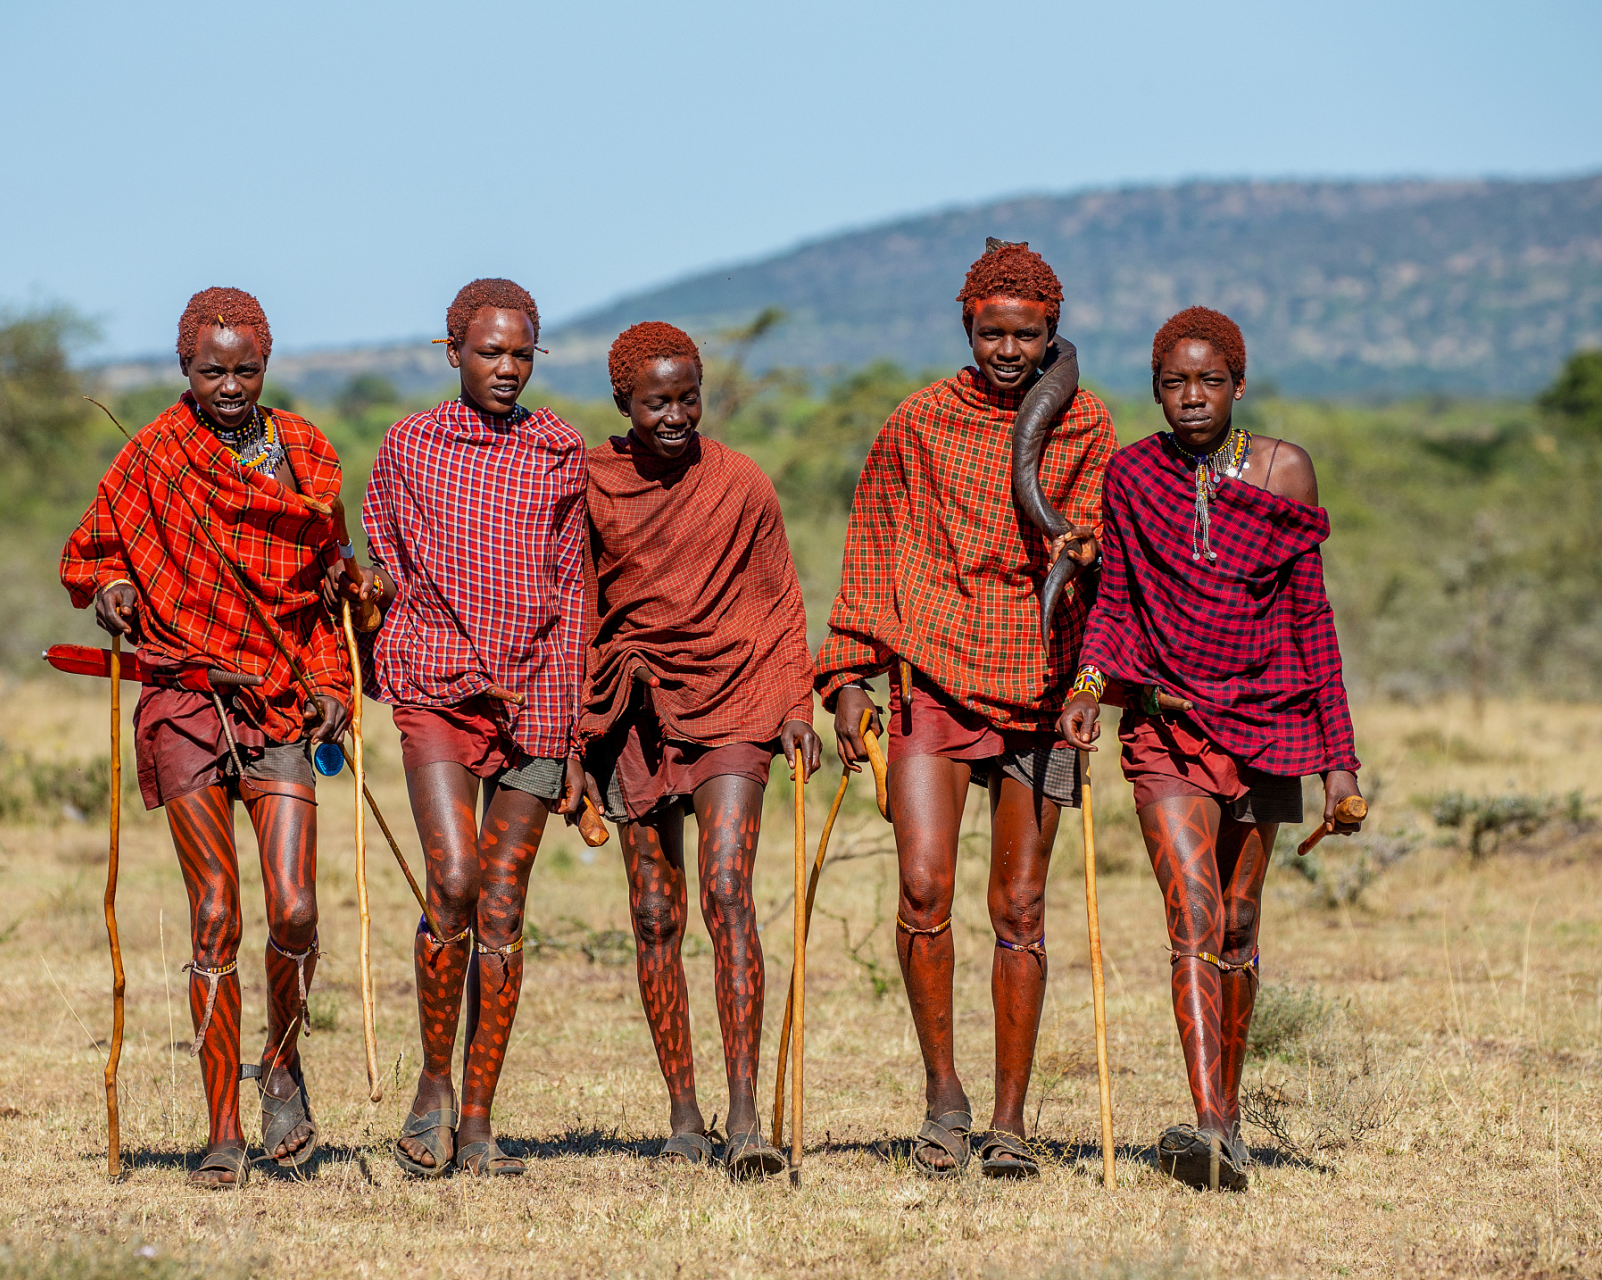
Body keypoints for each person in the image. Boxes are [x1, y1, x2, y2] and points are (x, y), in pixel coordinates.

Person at [62, 286, 376, 1188]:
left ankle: (281, 1062)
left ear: (266, 367)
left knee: (296, 909)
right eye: (212, 371)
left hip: (281, 702)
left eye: (245, 370)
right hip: (186, 699)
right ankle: (223, 1131)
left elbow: (328, 585)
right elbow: (92, 551)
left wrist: (328, 684)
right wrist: (116, 587)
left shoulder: (307, 451)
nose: (230, 386)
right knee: (214, 915)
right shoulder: (151, 457)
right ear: (184, 371)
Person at [817, 242, 1116, 1177]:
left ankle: (1011, 1121)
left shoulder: (1087, 425)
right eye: (992, 332)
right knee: (923, 889)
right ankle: (944, 1100)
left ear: (1051, 334)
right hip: (932, 671)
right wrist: (848, 676)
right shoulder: (919, 423)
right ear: (966, 329)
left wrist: (1088, 683)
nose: (1008, 351)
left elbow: (1107, 553)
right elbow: (872, 541)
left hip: (1044, 673)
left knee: (1020, 903)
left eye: (1027, 335)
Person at [1058, 306, 1362, 1192]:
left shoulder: (1282, 469)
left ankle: (1224, 1111)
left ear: (1238, 383)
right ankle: (1208, 1126)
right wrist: (1087, 689)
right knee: (1189, 912)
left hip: (1271, 723)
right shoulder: (1132, 474)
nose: (1191, 398)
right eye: (1173, 383)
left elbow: (1311, 616)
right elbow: (1116, 602)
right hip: (1166, 725)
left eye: (1208, 381)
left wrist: (1339, 759)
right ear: (1155, 390)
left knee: (1237, 922)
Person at [576, 322, 820, 1178]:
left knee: (726, 893)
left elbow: (781, 596)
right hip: (632, 708)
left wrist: (796, 702)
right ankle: (683, 1112)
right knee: (654, 915)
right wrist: (574, 734)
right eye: (656, 402)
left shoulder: (740, 483)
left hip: (738, 697)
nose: (675, 414)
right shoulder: (594, 483)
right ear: (623, 405)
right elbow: (575, 601)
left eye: (688, 397)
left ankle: (747, 1115)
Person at [362, 278, 590, 1178]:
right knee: (452, 880)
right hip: (434, 687)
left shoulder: (560, 450)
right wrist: (368, 590)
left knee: (503, 911)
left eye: (521, 353)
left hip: (537, 699)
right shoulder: (410, 446)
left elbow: (575, 592)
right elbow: (380, 555)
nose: (506, 368)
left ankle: (482, 1118)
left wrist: (567, 733)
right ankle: (431, 1087)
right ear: (451, 350)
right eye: (489, 351)